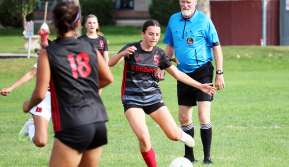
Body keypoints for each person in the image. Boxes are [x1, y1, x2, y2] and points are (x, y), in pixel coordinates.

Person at [108, 19, 216, 167]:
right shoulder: (131, 48)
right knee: (144, 138)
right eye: (151, 34)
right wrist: (122, 54)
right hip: (132, 100)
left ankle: (180, 135)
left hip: (153, 99)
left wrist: (200, 86)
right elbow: (110, 63)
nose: (154, 37)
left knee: (172, 135)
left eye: (157, 35)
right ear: (143, 34)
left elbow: (178, 74)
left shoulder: (159, 54)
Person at [22, 2, 113, 167]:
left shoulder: (49, 53)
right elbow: (108, 78)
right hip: (98, 123)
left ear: (54, 23)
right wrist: (86, 89)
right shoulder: (89, 47)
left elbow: (40, 94)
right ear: (78, 23)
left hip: (73, 124)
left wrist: (27, 105)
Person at [163, 0, 225, 164]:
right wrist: (163, 65)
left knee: (203, 115)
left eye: (189, 1)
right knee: (183, 117)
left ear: (195, 2)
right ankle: (189, 156)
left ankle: (207, 158)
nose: (186, 4)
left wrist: (219, 73)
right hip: (182, 74)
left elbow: (216, 47)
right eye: (183, 1)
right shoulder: (173, 19)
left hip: (203, 72)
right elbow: (169, 46)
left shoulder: (204, 20)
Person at [1, 64, 51, 147]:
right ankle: (31, 125)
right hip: (45, 101)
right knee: (41, 142)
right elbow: (31, 73)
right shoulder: (49, 55)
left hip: (66, 102)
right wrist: (11, 88)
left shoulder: (77, 56)